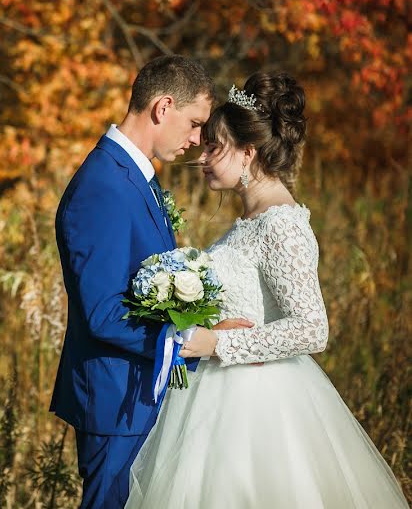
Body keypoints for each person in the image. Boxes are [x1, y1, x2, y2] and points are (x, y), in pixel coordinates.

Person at [125, 73, 407, 508]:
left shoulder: (282, 224)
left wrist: (215, 342)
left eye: (215, 147)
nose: (202, 158)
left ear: (248, 152)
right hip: (215, 400)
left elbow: (313, 329)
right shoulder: (251, 221)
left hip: (259, 409)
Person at [50, 55, 249, 509]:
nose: (199, 139)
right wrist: (193, 338)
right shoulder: (104, 185)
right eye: (196, 123)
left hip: (138, 393)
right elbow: (103, 313)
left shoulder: (134, 178)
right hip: (116, 400)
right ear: (163, 107)